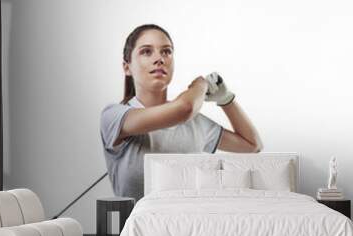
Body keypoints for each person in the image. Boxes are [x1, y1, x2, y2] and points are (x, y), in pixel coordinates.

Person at [100, 24, 263, 202]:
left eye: (166, 52)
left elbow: (252, 145)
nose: (159, 59)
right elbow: (184, 109)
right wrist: (200, 85)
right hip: (141, 228)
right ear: (126, 67)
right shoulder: (115, 116)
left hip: (192, 225)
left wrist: (226, 100)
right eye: (146, 51)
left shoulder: (196, 122)